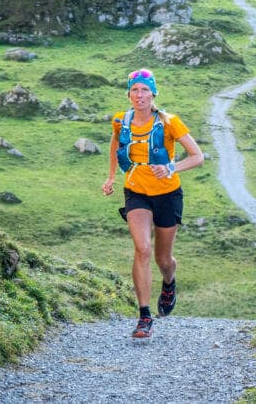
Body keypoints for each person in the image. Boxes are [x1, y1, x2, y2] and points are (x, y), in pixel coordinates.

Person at [102, 68, 203, 339]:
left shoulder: (170, 122)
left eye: (145, 90)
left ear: (153, 93)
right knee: (142, 249)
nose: (139, 94)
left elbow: (197, 157)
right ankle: (144, 316)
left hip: (168, 194)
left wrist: (171, 167)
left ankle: (169, 281)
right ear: (129, 94)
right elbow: (114, 147)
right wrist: (111, 177)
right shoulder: (120, 121)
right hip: (136, 192)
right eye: (135, 90)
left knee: (163, 258)